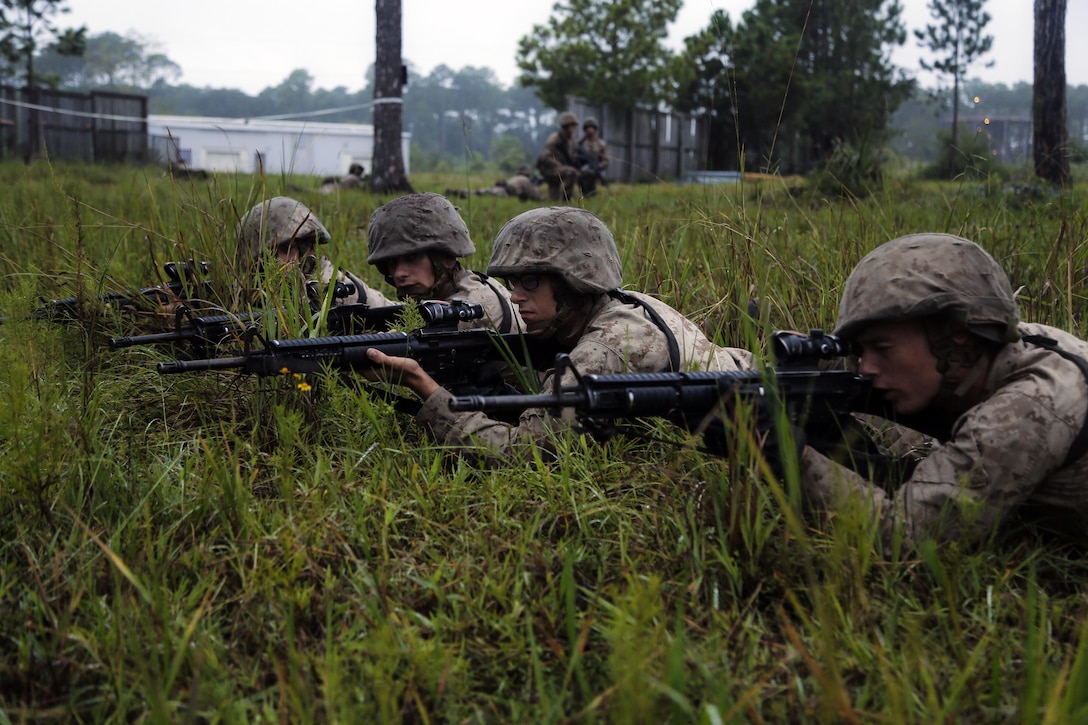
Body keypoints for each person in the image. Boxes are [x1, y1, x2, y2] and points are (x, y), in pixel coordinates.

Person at [764, 233, 1088, 550]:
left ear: (955, 335)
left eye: (881, 348)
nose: (865, 368)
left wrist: (796, 458)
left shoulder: (1028, 407)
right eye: (859, 351)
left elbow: (907, 536)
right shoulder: (982, 353)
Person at [365, 206, 755, 463]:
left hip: (768, 437)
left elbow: (520, 456)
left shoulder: (602, 350)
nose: (515, 297)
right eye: (513, 282)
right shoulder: (626, 304)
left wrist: (426, 390)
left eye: (530, 282)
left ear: (574, 284)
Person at [366, 192, 523, 333]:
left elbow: (409, 333)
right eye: (392, 263)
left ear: (446, 258)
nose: (399, 273)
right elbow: (402, 312)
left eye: (411, 258)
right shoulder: (458, 288)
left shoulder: (472, 306)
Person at [237, 196, 395, 307]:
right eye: (270, 254)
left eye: (287, 249)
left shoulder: (326, 284)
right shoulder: (249, 287)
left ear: (308, 249)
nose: (278, 259)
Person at [536, 112, 581, 202]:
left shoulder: (572, 141)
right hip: (551, 169)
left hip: (560, 169)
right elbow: (544, 156)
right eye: (572, 125)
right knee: (571, 172)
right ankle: (566, 200)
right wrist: (556, 163)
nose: (574, 128)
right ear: (566, 126)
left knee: (554, 202)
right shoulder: (555, 139)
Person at [444, 166, 544, 202]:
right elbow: (535, 197)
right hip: (503, 192)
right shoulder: (524, 180)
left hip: (498, 188)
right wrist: (536, 188)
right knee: (481, 197)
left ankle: (460, 192)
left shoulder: (515, 177)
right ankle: (465, 195)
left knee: (479, 192)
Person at [577, 117, 608, 196]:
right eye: (588, 128)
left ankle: (591, 192)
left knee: (592, 174)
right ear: (585, 129)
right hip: (582, 167)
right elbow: (575, 157)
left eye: (592, 128)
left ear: (595, 129)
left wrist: (598, 166)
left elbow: (605, 160)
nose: (590, 130)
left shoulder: (601, 144)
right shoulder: (580, 143)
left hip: (595, 167)